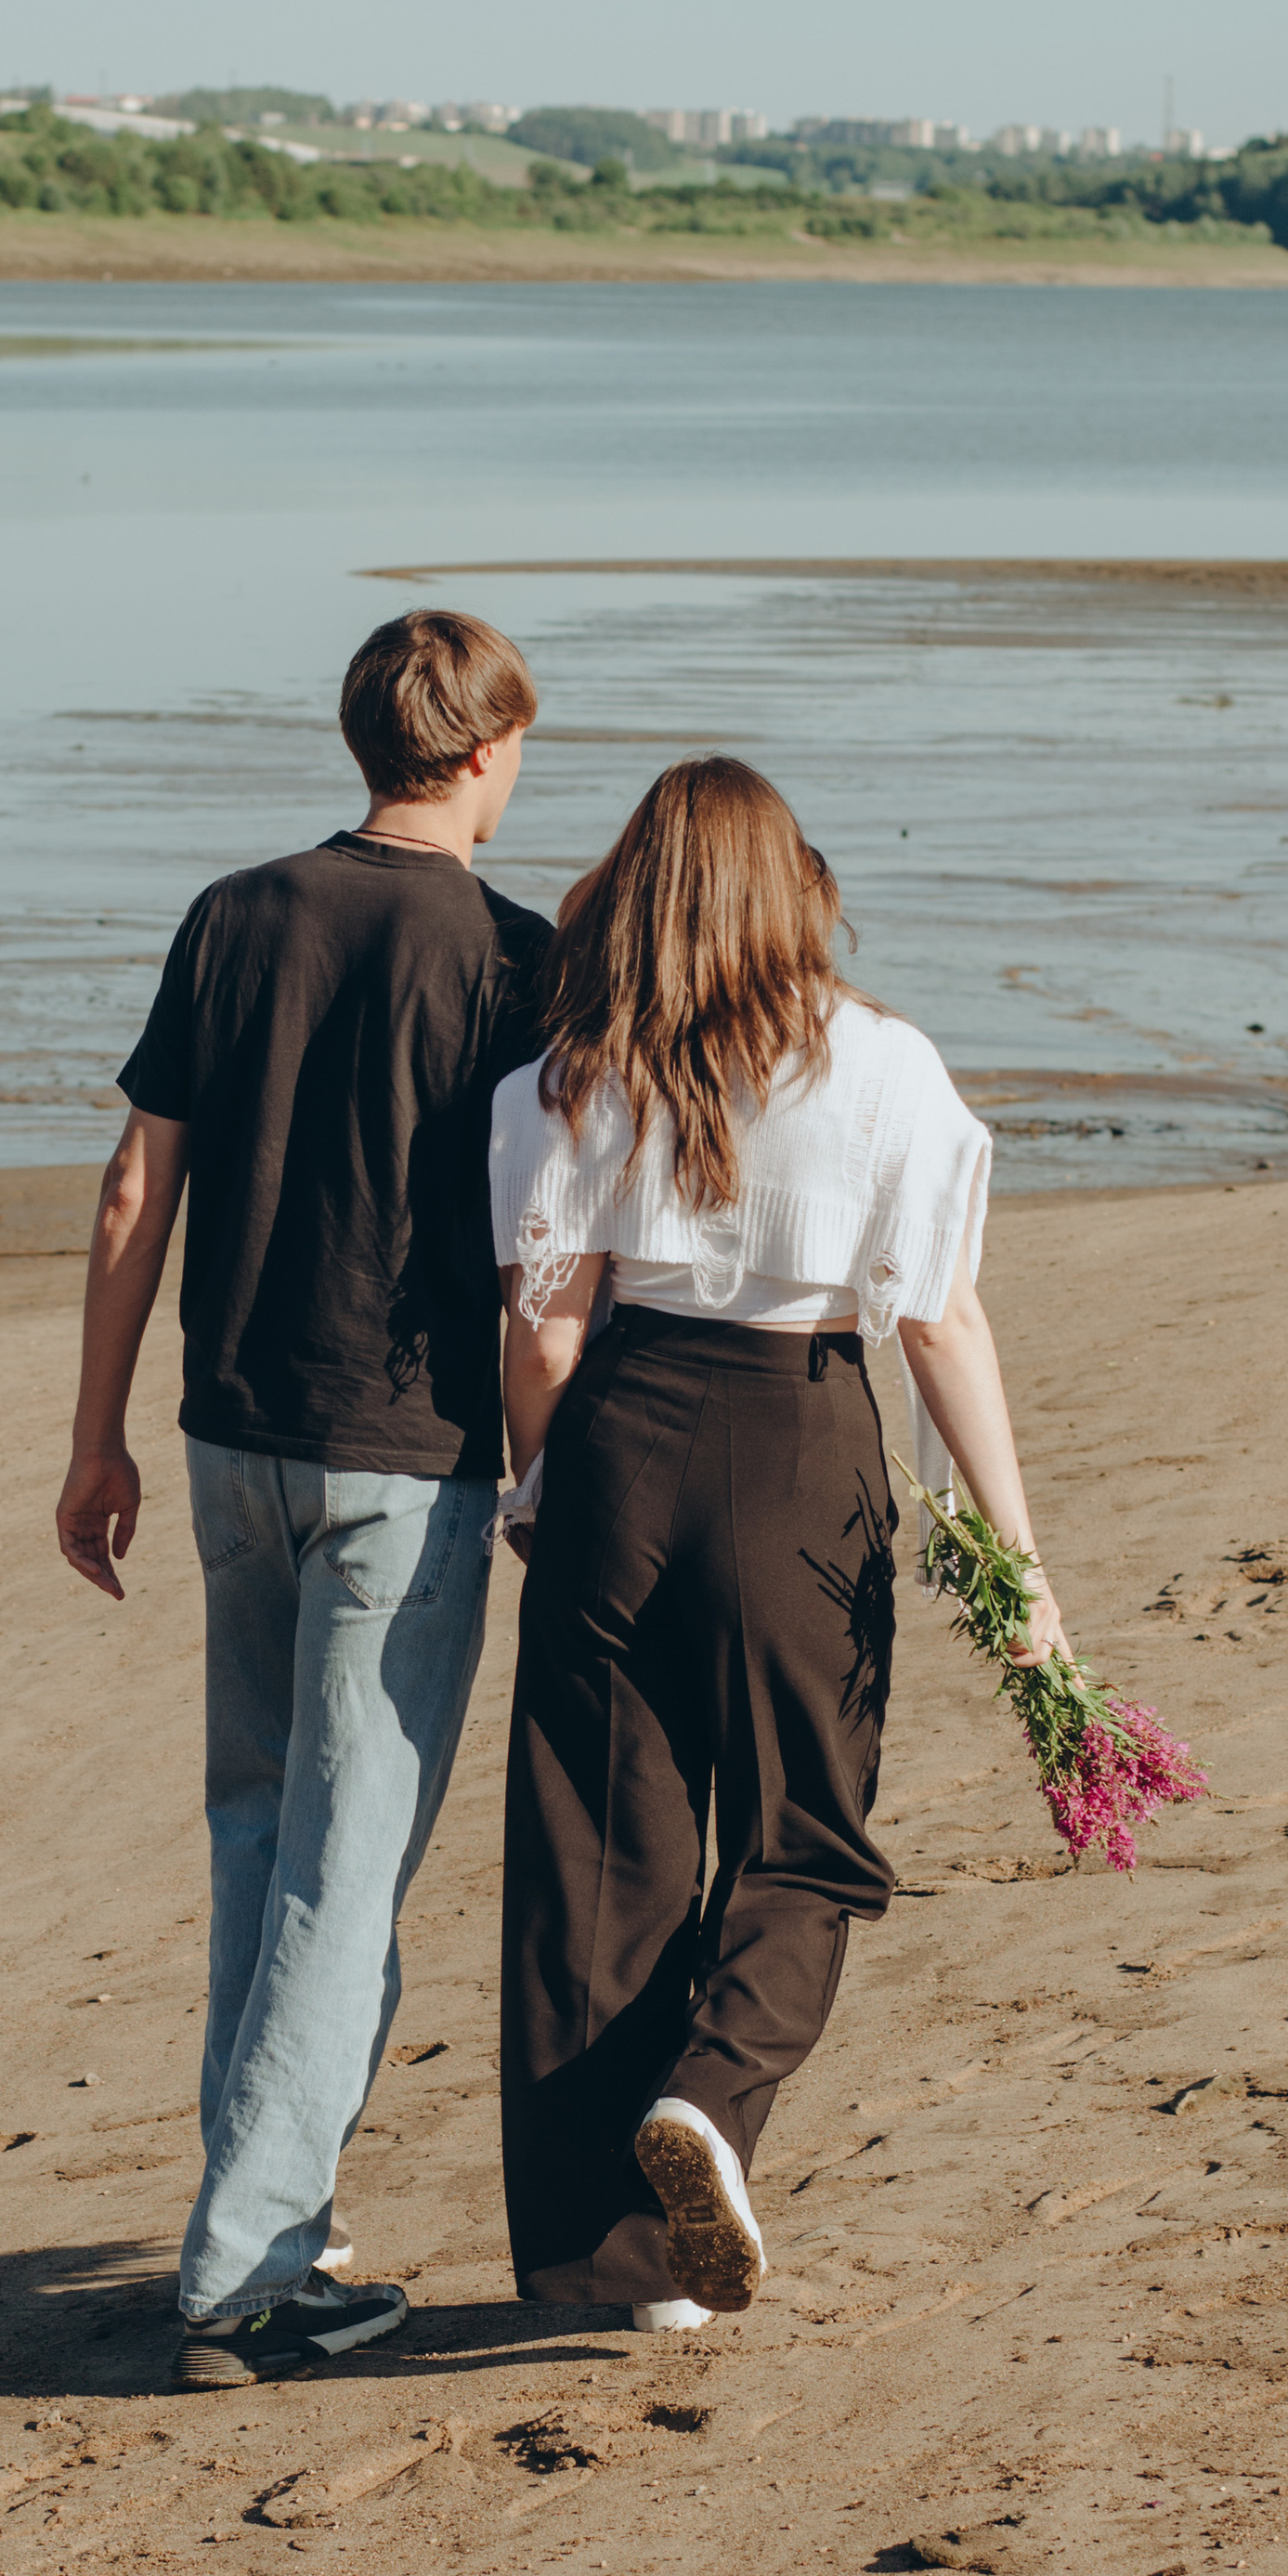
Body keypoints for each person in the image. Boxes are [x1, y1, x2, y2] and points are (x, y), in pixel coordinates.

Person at [489, 758, 1066, 2328]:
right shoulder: (885, 1066)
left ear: (638, 889)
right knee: (806, 1827)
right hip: (800, 1439)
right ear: (796, 889)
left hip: (618, 1435)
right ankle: (715, 2093)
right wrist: (1016, 1566)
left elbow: (544, 1329)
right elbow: (939, 1323)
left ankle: (617, 2269)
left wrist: (538, 1493)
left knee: (598, 1854)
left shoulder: (577, 1071)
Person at [57, 610, 551, 2392]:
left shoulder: (235, 914)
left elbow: (136, 1189)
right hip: (404, 1451)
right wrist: (556, 1459)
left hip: (230, 1434)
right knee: (345, 1870)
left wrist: (95, 1434)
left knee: (261, 1836)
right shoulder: (514, 957)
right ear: (484, 752)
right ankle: (248, 2271)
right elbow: (545, 1242)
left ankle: (267, 2211)